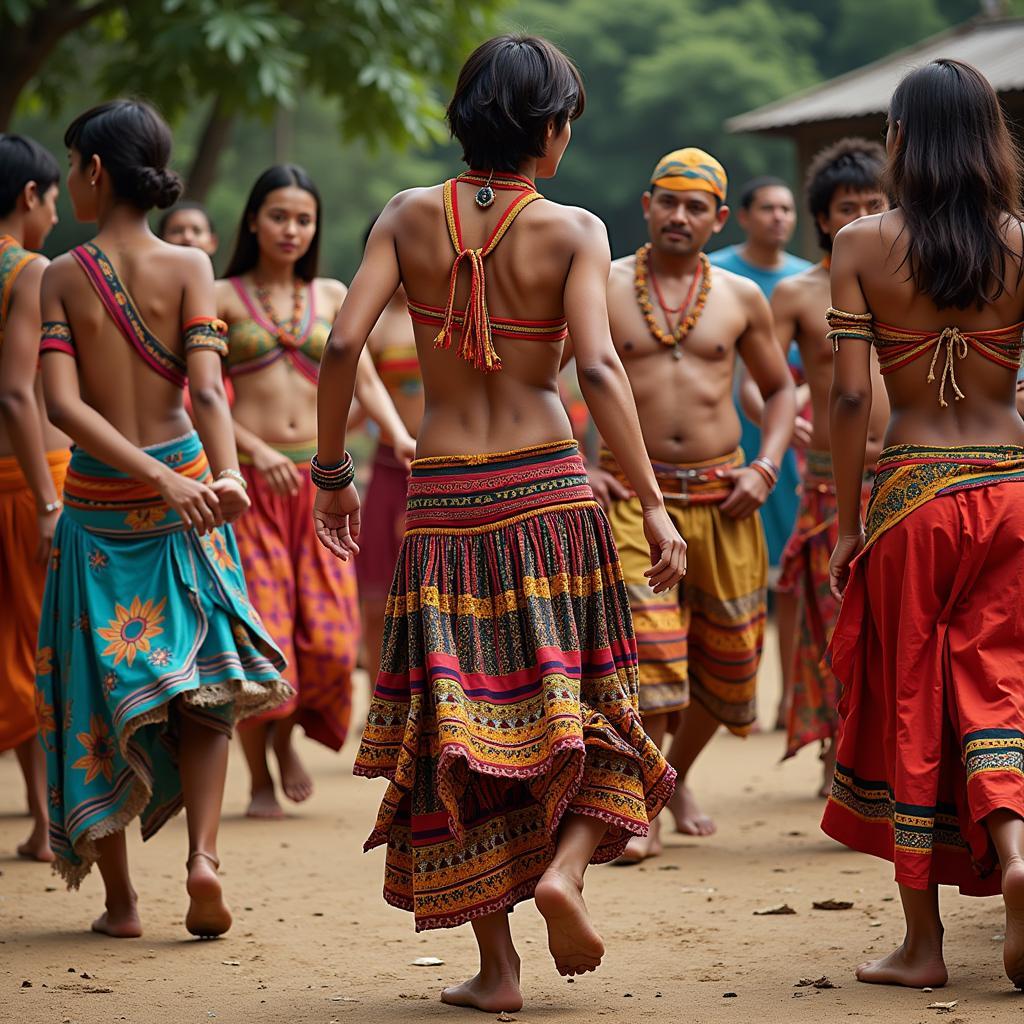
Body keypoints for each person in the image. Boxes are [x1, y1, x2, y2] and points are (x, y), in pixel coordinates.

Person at [314, 34, 684, 1013]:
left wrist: (330, 472)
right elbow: (598, 371)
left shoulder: (404, 216)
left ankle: (500, 968)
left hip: (444, 509)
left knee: (460, 727)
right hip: (552, 498)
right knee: (583, 698)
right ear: (547, 128)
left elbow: (343, 339)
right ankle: (565, 869)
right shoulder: (571, 228)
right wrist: (648, 499)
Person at [37, 100, 289, 938]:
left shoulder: (60, 275)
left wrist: (151, 477)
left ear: (95, 171)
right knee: (206, 682)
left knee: (97, 697)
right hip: (192, 495)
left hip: (103, 509)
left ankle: (121, 903)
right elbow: (208, 389)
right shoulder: (190, 267)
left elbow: (63, 407)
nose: (71, 179)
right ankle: (203, 861)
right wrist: (216, 475)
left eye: (73, 164)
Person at [822, 60, 1024, 990]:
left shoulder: (862, 245)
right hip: (1013, 488)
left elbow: (853, 395)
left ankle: (924, 944)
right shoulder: (1021, 244)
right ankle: (1015, 846)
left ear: (898, 138)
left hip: (913, 500)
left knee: (914, 703)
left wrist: (847, 523)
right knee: (999, 686)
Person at [588, 149, 795, 859]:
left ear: (719, 218)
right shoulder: (603, 283)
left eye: (696, 206)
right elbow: (556, 379)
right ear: (646, 203)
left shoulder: (742, 296)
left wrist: (766, 466)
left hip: (726, 497)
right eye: (668, 202)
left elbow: (780, 390)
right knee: (649, 653)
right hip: (632, 498)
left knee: (732, 661)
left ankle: (674, 779)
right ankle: (639, 805)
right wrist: (583, 465)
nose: (680, 216)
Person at [216, 166, 414, 819]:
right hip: (252, 490)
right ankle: (264, 775)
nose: (291, 230)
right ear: (252, 220)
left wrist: (396, 435)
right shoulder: (218, 297)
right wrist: (256, 451)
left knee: (331, 643)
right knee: (264, 634)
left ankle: (286, 733)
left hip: (322, 487)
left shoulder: (332, 295)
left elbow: (362, 379)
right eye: (278, 216)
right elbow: (201, 399)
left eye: (303, 219)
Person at [767, 139, 889, 796]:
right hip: (826, 478)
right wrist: (786, 426)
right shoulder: (795, 293)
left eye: (875, 203)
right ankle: (840, 757)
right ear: (822, 217)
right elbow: (764, 379)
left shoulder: (911, 278)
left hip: (905, 472)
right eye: (850, 206)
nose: (864, 215)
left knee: (898, 624)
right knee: (835, 618)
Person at [711, 178, 812, 730]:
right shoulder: (716, 273)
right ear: (742, 216)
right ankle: (733, 696)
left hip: (788, 442)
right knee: (740, 571)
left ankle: (788, 699)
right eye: (768, 208)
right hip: (725, 440)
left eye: (786, 208)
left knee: (790, 574)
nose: (778, 217)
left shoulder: (806, 278)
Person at [0, 133, 66, 862]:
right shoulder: (27, 268)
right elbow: (19, 392)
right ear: (30, 197)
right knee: (38, 648)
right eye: (51, 200)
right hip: (29, 479)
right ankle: (50, 818)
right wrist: (50, 501)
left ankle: (36, 812)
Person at [358, 218, 423, 687]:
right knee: (377, 594)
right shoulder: (375, 323)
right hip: (387, 467)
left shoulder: (449, 308)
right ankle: (378, 699)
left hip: (443, 469)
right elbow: (361, 399)